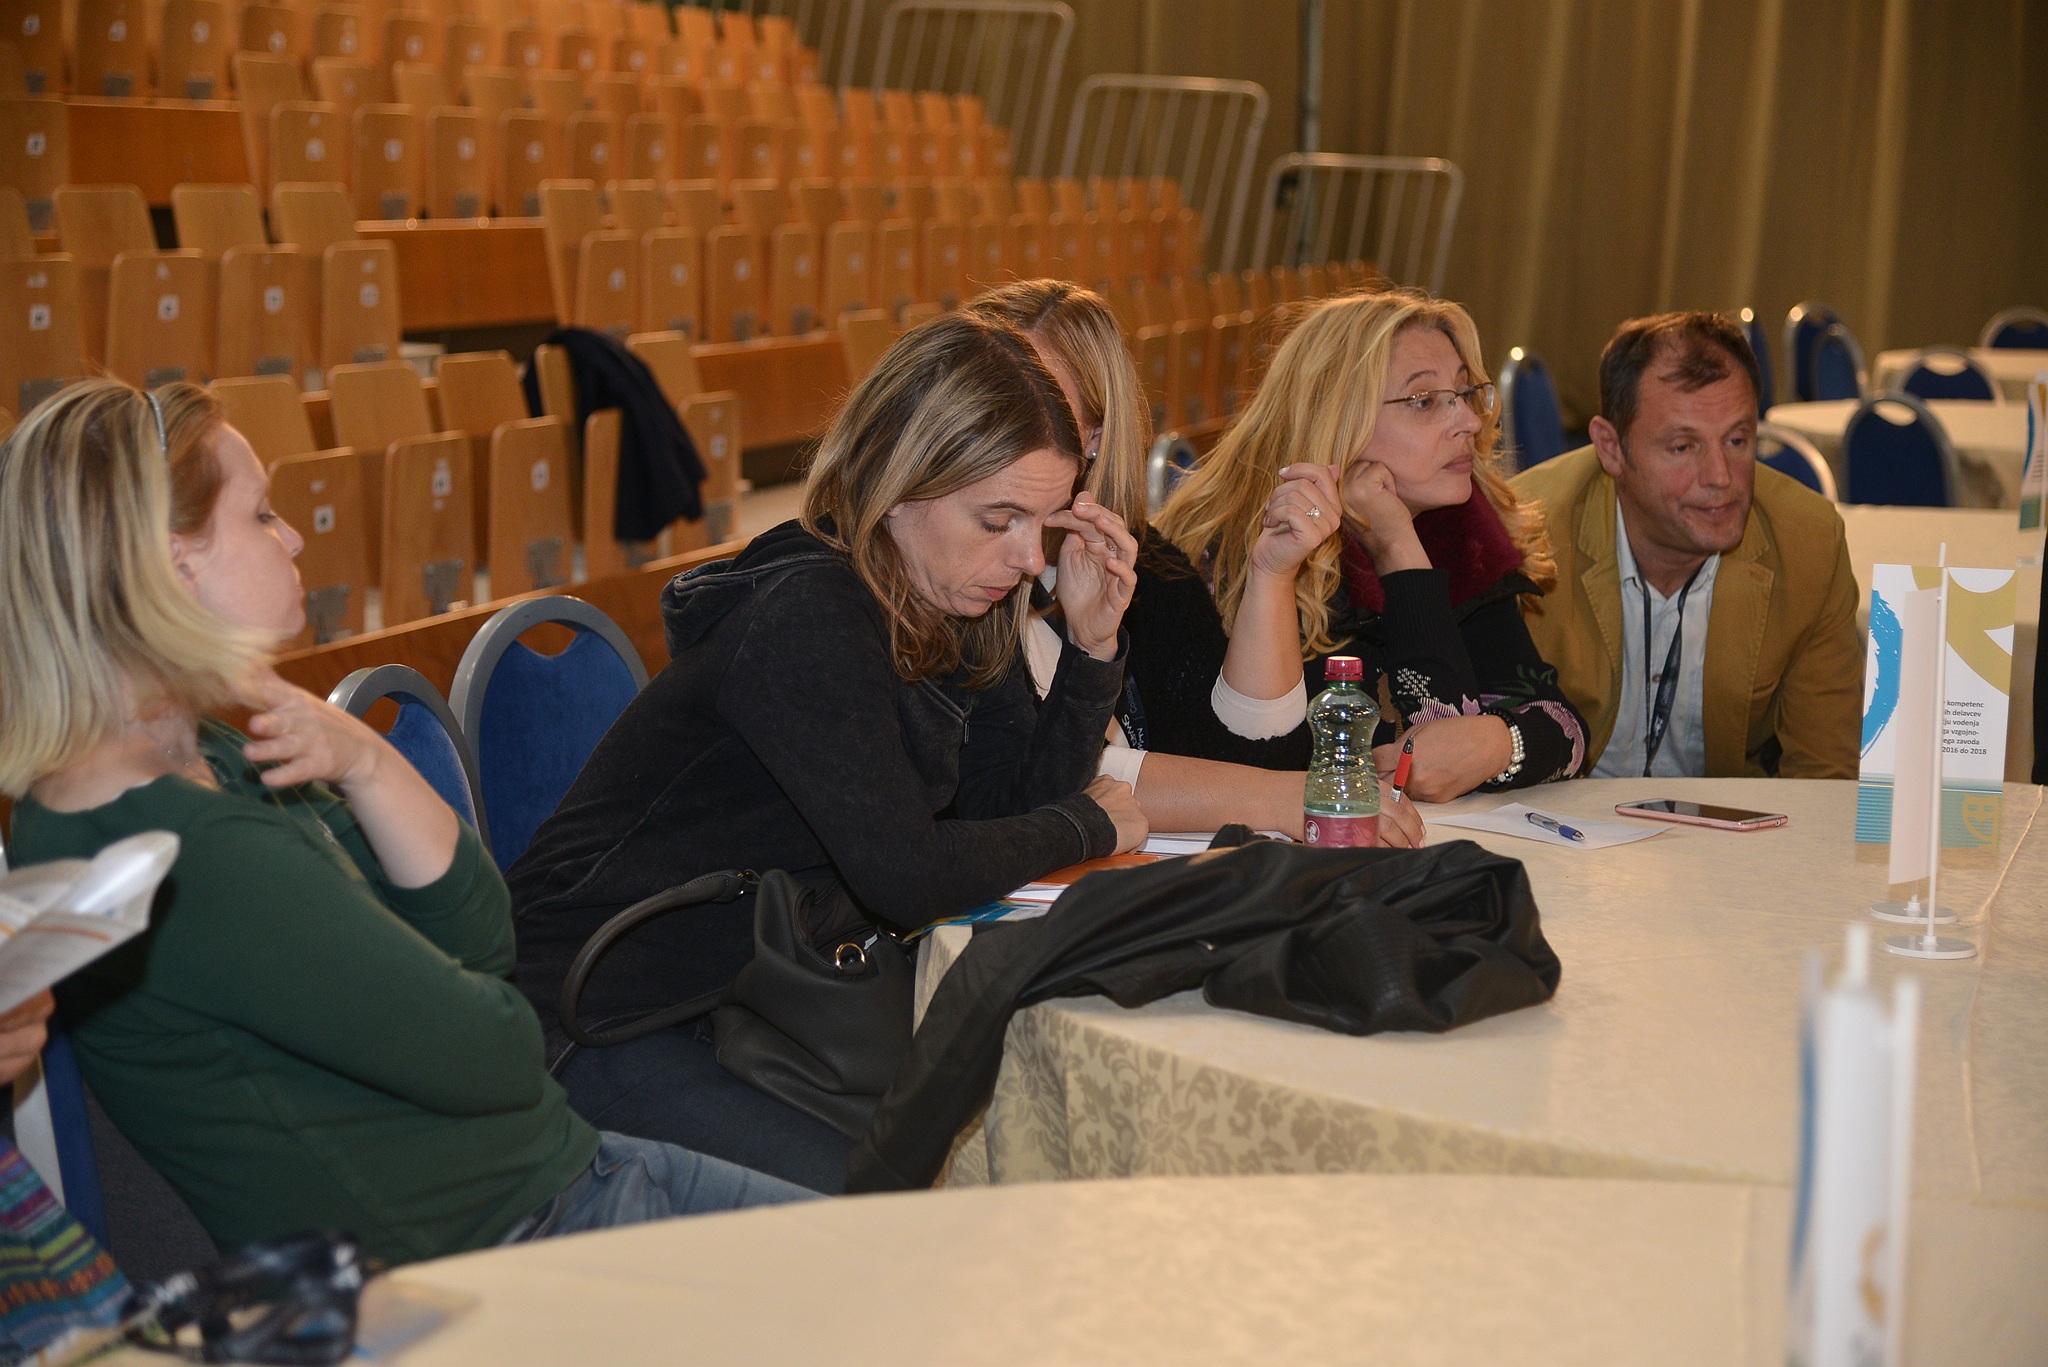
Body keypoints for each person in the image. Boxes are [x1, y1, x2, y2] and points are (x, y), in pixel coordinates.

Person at [0, 380, 810, 1269]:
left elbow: (482, 931)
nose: (293, 537)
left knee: (892, 1258)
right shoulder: (183, 845)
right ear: (171, 565)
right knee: (889, 1283)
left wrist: (368, 762)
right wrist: (460, 986)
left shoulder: (217, 754)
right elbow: (498, 1049)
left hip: (554, 1177)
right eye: (261, 514)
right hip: (492, 1245)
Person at [507, 313, 1147, 1192]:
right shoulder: (808, 613)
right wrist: (1086, 824)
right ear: (898, 483)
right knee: (875, 1209)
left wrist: (1090, 649)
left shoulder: (953, 590)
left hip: (750, 996)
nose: (1029, 557)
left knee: (976, 1145)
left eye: (1044, 523)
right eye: (999, 518)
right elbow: (909, 873)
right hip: (595, 1011)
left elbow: (1005, 808)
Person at [962, 279, 1424, 846]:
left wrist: (1272, 574)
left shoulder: (1146, 561)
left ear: (1095, 437)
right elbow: (1048, 778)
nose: (998, 436)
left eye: (1041, 408)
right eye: (986, 406)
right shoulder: (955, 573)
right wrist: (1283, 797)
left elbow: (1253, 755)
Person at [1154, 289, 1588, 801]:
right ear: (1337, 419)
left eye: (1465, 393)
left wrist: (1498, 743)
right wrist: (1397, 548)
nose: (1470, 422)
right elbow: (1282, 764)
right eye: (1424, 401)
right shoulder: (1241, 551)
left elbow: (1558, 732)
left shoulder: (1459, 527)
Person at [1510, 312, 1861, 778]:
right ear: (1611, 448)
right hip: (1554, 813)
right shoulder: (1521, 537)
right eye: (1683, 447)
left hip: (1724, 821)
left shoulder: (1809, 544)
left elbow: (1826, 777)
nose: (1721, 477)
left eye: (1737, 440)